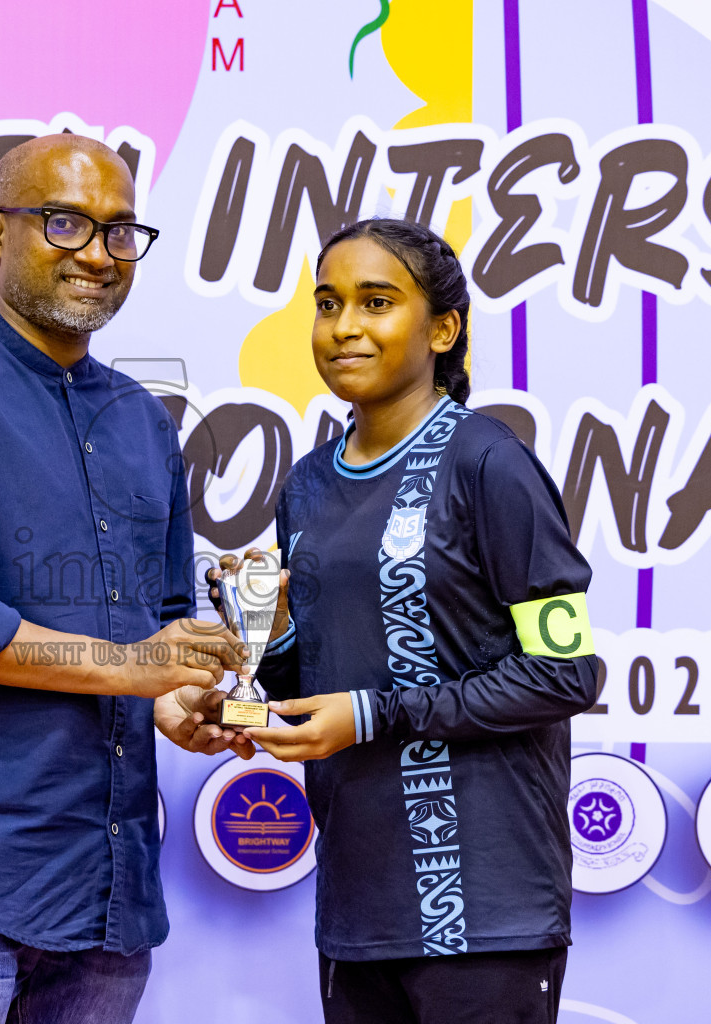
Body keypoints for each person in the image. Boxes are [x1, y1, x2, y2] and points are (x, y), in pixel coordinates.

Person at [0, 134, 248, 1024]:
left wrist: (176, 698)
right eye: (65, 224)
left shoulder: (143, 422)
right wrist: (126, 668)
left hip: (108, 891)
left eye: (119, 232)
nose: (98, 255)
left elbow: (160, 626)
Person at [217, 218, 598, 1024]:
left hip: (489, 913)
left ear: (444, 328)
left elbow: (565, 670)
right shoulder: (307, 488)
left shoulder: (491, 463)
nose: (345, 326)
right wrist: (261, 645)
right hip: (359, 909)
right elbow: (312, 684)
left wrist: (374, 713)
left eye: (377, 302)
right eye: (328, 304)